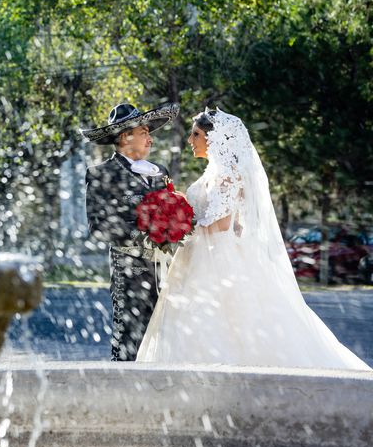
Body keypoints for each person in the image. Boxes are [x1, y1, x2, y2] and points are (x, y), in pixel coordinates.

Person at [136, 108, 371, 370]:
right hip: (202, 253)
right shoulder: (213, 173)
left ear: (215, 139)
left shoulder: (229, 175)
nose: (190, 140)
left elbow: (223, 224)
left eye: (196, 134)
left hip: (218, 260)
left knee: (227, 322)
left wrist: (179, 226)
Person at [81, 102, 180, 361]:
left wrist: (175, 230)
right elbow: (99, 226)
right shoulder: (101, 173)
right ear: (126, 137)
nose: (150, 138)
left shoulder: (160, 173)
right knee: (130, 339)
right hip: (130, 271)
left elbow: (172, 212)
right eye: (144, 132)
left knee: (167, 339)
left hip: (166, 270)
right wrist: (148, 238)